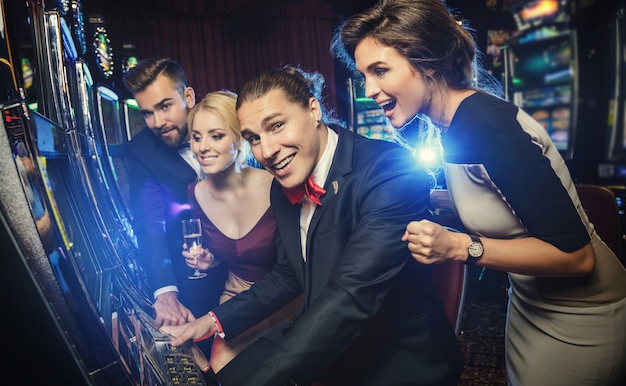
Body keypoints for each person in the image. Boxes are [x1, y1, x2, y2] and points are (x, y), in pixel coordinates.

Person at [331, 0, 626, 386]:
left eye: (380, 70)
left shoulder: (485, 124)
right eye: (364, 75)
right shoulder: (452, 124)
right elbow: (492, 199)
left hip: (582, 315)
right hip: (529, 303)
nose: (369, 90)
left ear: (428, 62)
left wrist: (458, 247)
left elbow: (577, 257)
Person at [161, 66, 463, 386]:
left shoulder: (389, 169)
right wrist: (210, 321)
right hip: (318, 331)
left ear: (313, 110)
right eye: (254, 138)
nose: (267, 151)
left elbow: (349, 297)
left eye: (277, 126)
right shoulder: (281, 187)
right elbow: (288, 274)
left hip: (393, 352)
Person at [181, 90, 302, 374]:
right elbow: (234, 250)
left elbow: (292, 264)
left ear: (239, 138)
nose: (203, 147)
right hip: (237, 297)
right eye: (196, 137)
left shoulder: (277, 184)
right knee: (221, 372)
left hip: (289, 297)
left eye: (216, 136)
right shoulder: (195, 194)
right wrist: (212, 260)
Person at [122, 58, 228, 351]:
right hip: (195, 278)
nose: (157, 122)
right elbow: (149, 221)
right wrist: (165, 292)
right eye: (147, 113)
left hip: (253, 262)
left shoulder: (227, 119)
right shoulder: (140, 150)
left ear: (189, 97)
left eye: (165, 106)